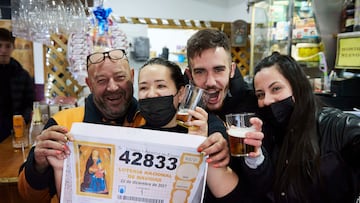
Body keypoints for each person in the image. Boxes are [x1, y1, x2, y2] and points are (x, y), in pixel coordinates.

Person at [18, 49, 230, 202]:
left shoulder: (151, 116)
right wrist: (38, 163)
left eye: (120, 78)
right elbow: (29, 196)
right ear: (89, 84)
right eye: (101, 81)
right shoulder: (65, 123)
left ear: (131, 77)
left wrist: (218, 135)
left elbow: (199, 120)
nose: (112, 87)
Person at [253, 52, 360, 202]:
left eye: (276, 89)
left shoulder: (333, 125)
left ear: (297, 88)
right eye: (260, 94)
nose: (268, 100)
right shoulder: (271, 134)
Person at [185, 28, 271, 202]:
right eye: (200, 72)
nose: (210, 82)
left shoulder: (256, 104)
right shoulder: (182, 108)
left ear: (231, 70)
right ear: (189, 75)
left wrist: (254, 156)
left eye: (218, 70)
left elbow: (267, 185)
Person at [137, 57, 239, 199]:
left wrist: (201, 144)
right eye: (143, 88)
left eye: (161, 86)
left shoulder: (203, 128)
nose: (151, 94)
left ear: (181, 94)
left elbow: (229, 193)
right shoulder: (133, 135)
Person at [0, 28, 34, 142]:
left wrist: (23, 119)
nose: (3, 50)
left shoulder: (22, 75)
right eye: (0, 45)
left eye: (7, 46)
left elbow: (29, 103)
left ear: (13, 47)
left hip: (14, 128)